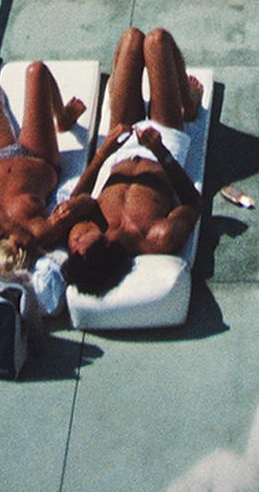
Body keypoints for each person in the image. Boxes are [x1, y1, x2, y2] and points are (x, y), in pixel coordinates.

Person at [63, 26, 203, 298]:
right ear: (101, 255)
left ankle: (118, 93)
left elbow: (77, 197)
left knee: (131, 37)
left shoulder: (86, 230)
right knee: (157, 40)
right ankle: (189, 102)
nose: (74, 245)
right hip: (163, 145)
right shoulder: (158, 237)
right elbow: (193, 203)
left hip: (118, 152)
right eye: (79, 251)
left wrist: (103, 152)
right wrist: (160, 151)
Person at [0, 34, 95, 262]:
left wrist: (10, 226)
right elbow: (88, 202)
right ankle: (62, 117)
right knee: (37, 71)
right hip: (36, 158)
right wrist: (70, 209)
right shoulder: (38, 235)